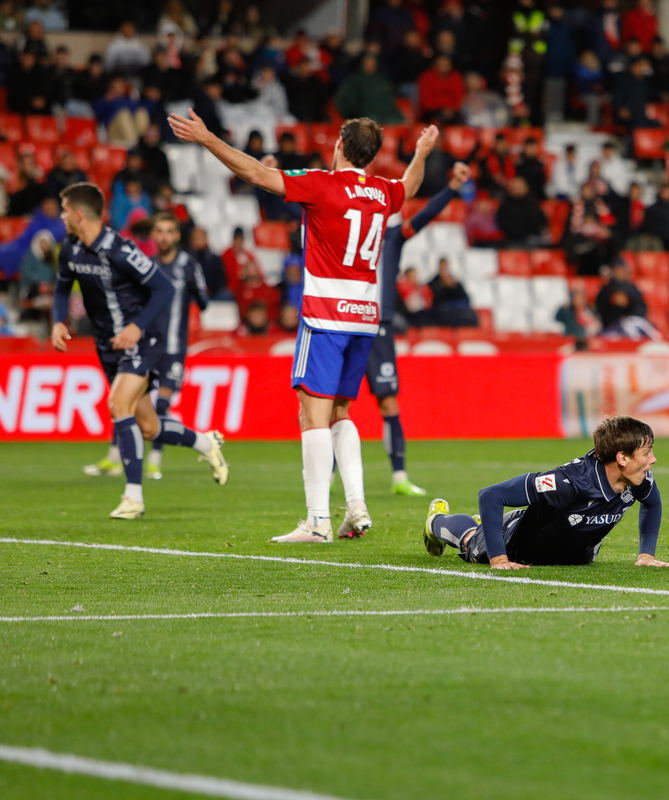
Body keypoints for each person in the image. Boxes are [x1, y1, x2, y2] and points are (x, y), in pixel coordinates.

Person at [170, 108, 439, 543]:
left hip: (326, 315)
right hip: (365, 318)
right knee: (341, 411)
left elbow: (256, 175)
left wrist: (206, 139)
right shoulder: (383, 192)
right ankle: (356, 505)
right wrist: (421, 152)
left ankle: (317, 520)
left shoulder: (322, 184)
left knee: (310, 414)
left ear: (339, 147)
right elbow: (410, 185)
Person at [50, 183, 228, 518]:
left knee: (118, 405)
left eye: (63, 211)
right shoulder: (71, 247)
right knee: (148, 426)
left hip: (142, 341)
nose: (61, 217)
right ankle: (206, 443)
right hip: (108, 347)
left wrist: (136, 326)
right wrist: (59, 321)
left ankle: (133, 498)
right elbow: (61, 290)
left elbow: (163, 288)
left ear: (78, 214)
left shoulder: (120, 250)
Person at [421, 415, 669, 569]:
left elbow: (652, 504)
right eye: (647, 452)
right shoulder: (568, 482)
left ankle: (485, 525)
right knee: (471, 542)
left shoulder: (641, 479)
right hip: (520, 547)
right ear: (622, 458)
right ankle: (436, 522)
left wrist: (646, 555)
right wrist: (499, 559)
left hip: (576, 553)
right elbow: (491, 495)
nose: (654, 460)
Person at [368, 162, 469, 496]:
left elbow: (423, 217)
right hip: (349, 323)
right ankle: (329, 476)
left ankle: (399, 477)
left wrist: (451, 189)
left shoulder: (392, 237)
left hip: (379, 327)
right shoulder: (345, 234)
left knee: (389, 404)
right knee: (336, 403)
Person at [141, 213, 208, 480]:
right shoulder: (146, 265)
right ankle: (114, 459)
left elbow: (204, 303)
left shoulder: (188, 265)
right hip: (148, 346)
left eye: (169, 231)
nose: (164, 236)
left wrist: (194, 290)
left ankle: (154, 461)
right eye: (160, 231)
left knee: (162, 404)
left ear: (177, 235)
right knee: (131, 400)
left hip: (174, 348)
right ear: (154, 235)